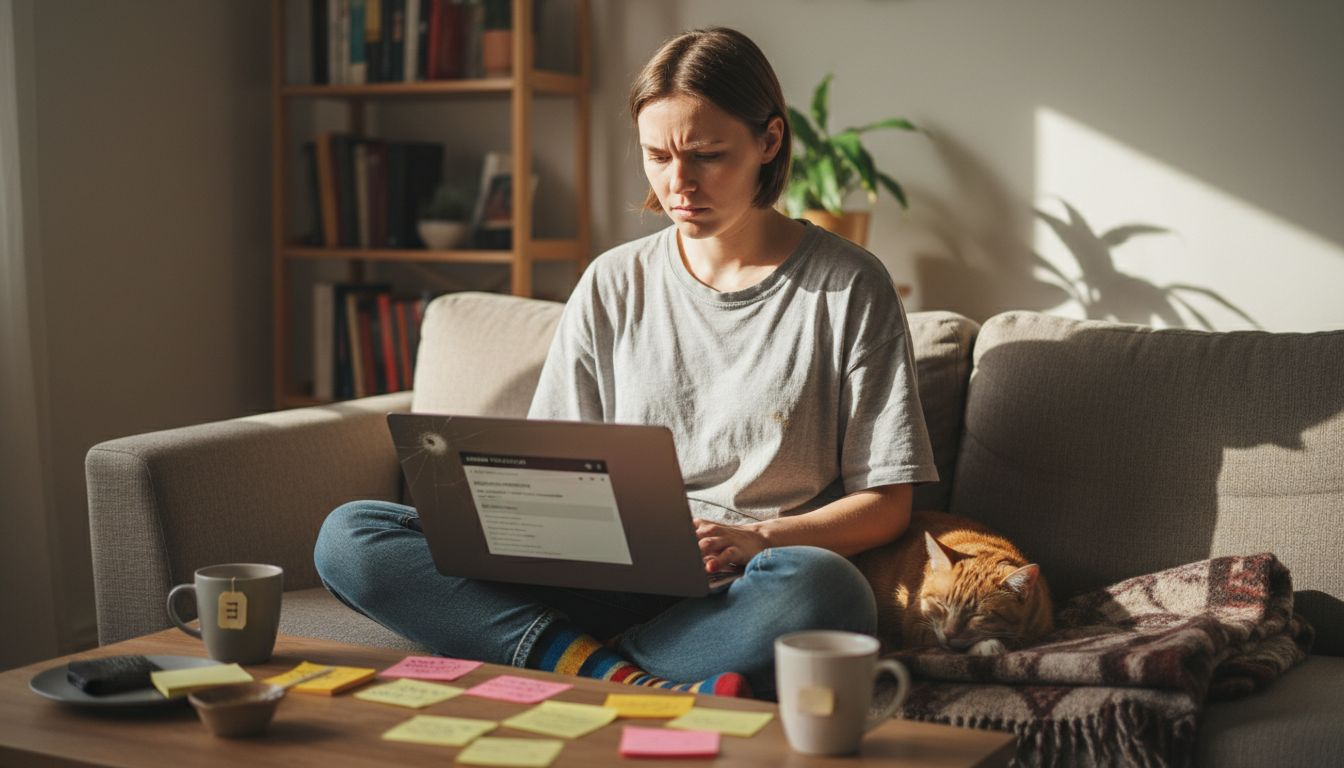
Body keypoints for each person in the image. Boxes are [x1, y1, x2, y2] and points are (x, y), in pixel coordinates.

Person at [314, 26, 937, 699]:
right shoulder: (613, 281)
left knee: (827, 591)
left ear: (770, 141)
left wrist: (757, 537)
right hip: (598, 573)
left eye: (706, 155)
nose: (679, 183)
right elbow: (553, 466)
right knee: (350, 535)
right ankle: (617, 676)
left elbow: (887, 504)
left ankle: (557, 657)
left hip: (739, 584)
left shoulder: (848, 286)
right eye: (657, 155)